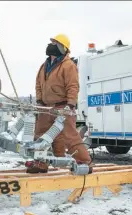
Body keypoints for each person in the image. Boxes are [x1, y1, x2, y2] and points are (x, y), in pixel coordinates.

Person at [27, 34, 92, 173]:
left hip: (63, 107)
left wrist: (70, 105)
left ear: (63, 48)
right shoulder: (44, 66)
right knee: (40, 135)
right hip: (46, 107)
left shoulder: (68, 66)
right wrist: (39, 101)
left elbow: (73, 86)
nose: (51, 45)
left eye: (55, 43)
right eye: (51, 42)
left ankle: (84, 163)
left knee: (70, 136)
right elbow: (39, 84)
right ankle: (40, 163)